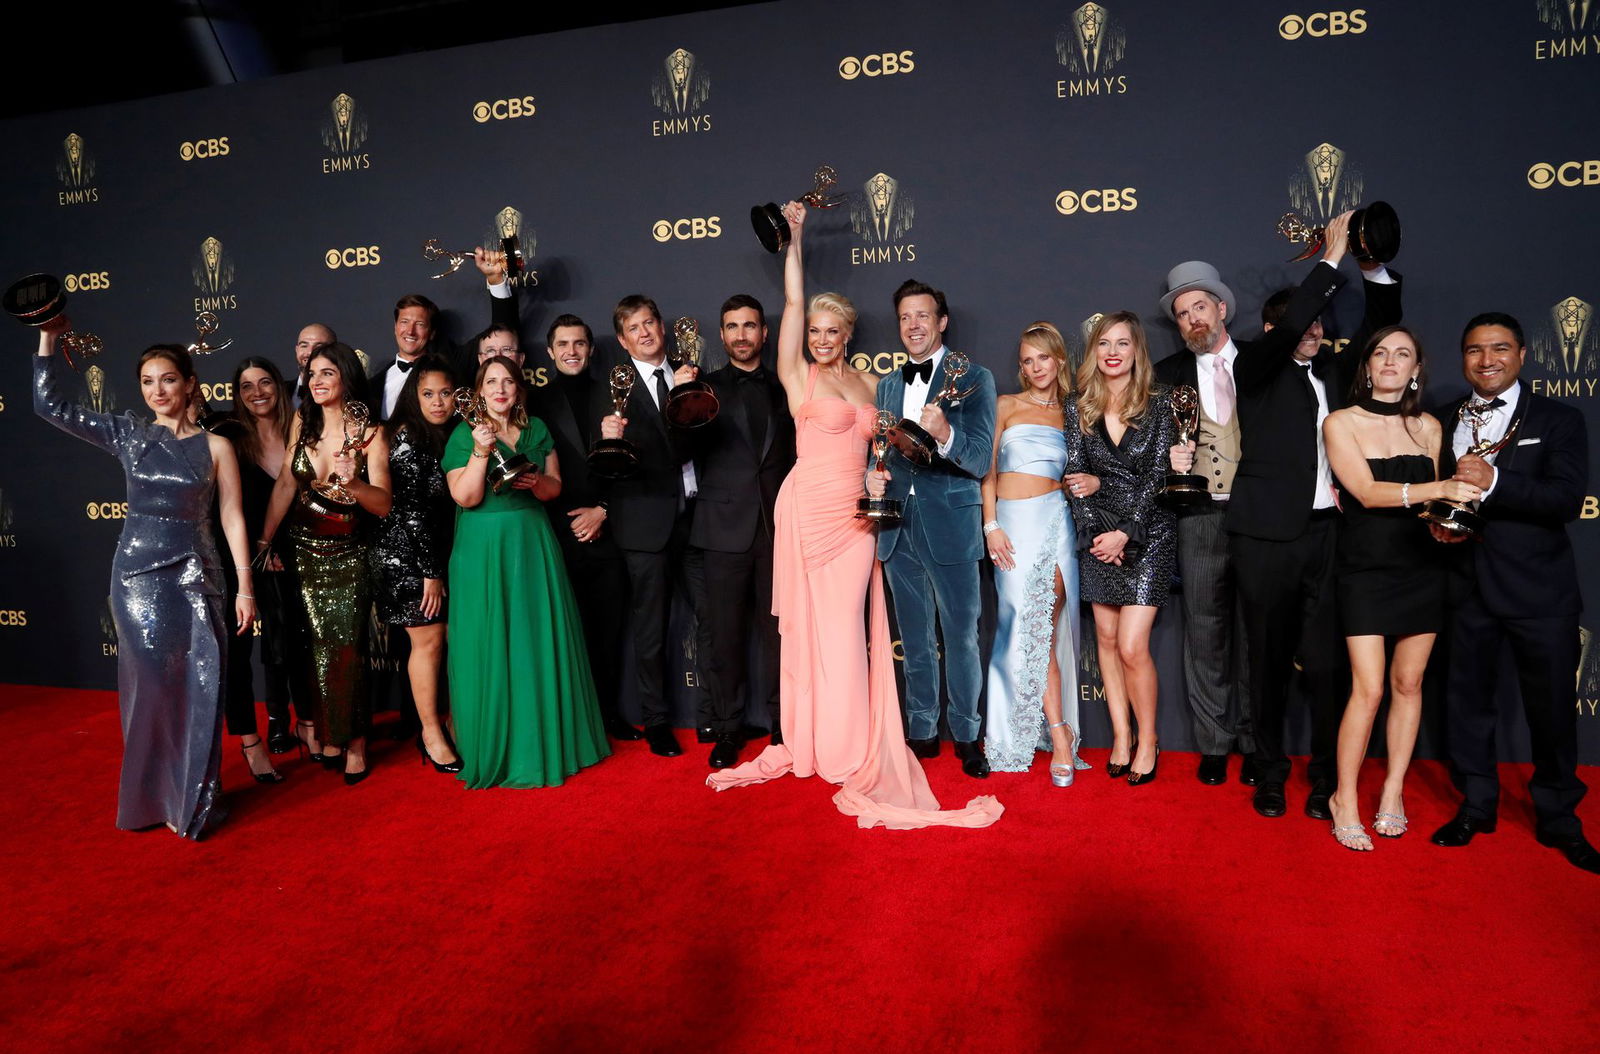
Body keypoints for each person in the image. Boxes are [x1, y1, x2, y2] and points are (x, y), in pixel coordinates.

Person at [708, 200, 1001, 830]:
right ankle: (820, 741)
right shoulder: (797, 379)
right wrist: (794, 237)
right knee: (812, 630)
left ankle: (844, 739)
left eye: (829, 331)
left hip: (859, 516)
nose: (818, 338)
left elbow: (884, 449)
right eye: (812, 331)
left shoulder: (875, 389)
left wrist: (879, 473)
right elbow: (790, 306)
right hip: (807, 508)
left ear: (847, 335)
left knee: (846, 629)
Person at [1167, 212, 1402, 819]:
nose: (1313, 329)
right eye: (1301, 322)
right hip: (1265, 536)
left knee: (1326, 668)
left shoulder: (1334, 375)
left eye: (1319, 323)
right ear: (1271, 330)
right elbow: (1295, 315)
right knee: (1266, 662)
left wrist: (1370, 265)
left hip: (1329, 535)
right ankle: (1269, 773)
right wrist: (1333, 252)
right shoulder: (1255, 370)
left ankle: (1325, 780)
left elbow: (1383, 328)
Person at [34, 319, 255, 838]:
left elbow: (232, 518)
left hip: (199, 578)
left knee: (202, 687)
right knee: (154, 690)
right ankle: (152, 799)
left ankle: (194, 802)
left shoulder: (216, 447)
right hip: (138, 581)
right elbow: (51, 407)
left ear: (190, 382)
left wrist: (246, 587)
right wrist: (46, 340)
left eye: (168, 379)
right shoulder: (129, 433)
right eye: (148, 382)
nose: (158, 391)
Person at [1429, 313, 1598, 874]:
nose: (1487, 360)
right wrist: (1436, 519)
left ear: (1523, 355)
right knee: (1468, 706)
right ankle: (1477, 805)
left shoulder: (1559, 419)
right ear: (1463, 359)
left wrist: (1494, 481)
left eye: (1500, 348)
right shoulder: (1443, 417)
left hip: (1539, 593)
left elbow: (1564, 501)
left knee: (1551, 712)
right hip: (1465, 586)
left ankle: (1558, 818)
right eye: (1474, 350)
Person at [1322, 326, 1473, 849]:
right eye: (1381, 353)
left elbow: (1436, 504)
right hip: (1364, 568)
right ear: (1366, 367)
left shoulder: (1430, 427)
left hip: (1422, 566)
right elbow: (1364, 492)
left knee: (1410, 684)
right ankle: (1344, 795)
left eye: (1403, 354)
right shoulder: (1340, 422)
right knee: (1370, 689)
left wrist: (1446, 517)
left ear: (1415, 371)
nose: (1390, 361)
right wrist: (1440, 487)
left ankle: (1392, 792)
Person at [443, 356, 609, 787]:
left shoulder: (536, 429)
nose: (500, 389)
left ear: (519, 388)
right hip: (483, 549)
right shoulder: (464, 434)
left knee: (535, 641)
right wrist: (481, 451)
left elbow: (554, 489)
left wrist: (536, 483)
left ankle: (546, 741)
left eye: (509, 382)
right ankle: (500, 747)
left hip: (532, 542)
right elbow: (465, 496)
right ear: (480, 390)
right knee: (491, 643)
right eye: (492, 382)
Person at [870, 278, 998, 779]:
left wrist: (945, 434)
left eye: (923, 316)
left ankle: (967, 734)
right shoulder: (886, 385)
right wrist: (872, 474)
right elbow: (879, 450)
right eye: (905, 317)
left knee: (961, 637)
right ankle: (921, 728)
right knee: (916, 638)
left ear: (942, 322)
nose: (913, 326)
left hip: (952, 523)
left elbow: (980, 457)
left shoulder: (975, 378)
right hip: (898, 526)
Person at [259, 343, 391, 784]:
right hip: (301, 551)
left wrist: (354, 482)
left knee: (347, 651)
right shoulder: (303, 421)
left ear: (346, 378)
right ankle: (330, 734)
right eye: (312, 374)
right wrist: (264, 538)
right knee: (313, 650)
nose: (316, 381)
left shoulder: (371, 432)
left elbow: (384, 504)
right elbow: (283, 483)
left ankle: (355, 743)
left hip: (348, 554)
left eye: (327, 373)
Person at [1063, 312, 1175, 785]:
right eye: (1104, 343)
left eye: (1122, 343)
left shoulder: (1160, 402)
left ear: (1136, 351)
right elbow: (1073, 475)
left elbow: (1158, 478)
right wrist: (1094, 537)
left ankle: (1148, 739)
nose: (1112, 352)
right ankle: (1121, 736)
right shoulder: (1077, 406)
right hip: (1097, 536)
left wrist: (1125, 530)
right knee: (1105, 642)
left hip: (1148, 534)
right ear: (1093, 352)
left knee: (1132, 646)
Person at [596, 295, 708, 757]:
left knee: (715, 620)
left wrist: (688, 397)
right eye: (634, 328)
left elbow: (712, 438)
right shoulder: (611, 391)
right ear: (622, 341)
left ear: (662, 326)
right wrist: (608, 440)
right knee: (651, 631)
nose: (645, 333)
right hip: (644, 524)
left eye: (650, 323)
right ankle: (657, 720)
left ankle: (719, 716)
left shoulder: (692, 374)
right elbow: (603, 465)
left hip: (702, 518)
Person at [686, 294, 796, 768]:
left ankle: (784, 726)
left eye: (750, 326)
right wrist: (680, 402)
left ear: (764, 333)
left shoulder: (787, 387)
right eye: (732, 327)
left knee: (779, 637)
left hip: (778, 529)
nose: (742, 335)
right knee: (724, 637)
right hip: (721, 530)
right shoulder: (701, 390)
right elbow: (680, 452)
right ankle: (727, 730)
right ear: (722, 334)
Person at [981, 321, 1088, 785]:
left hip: (1055, 523)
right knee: (1018, 625)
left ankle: (1060, 735)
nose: (1034, 367)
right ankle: (1032, 734)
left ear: (1059, 360)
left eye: (1042, 357)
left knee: (1044, 626)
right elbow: (985, 473)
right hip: (1010, 524)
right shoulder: (1005, 405)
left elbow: (1088, 470)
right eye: (1026, 360)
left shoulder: (1075, 413)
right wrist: (991, 525)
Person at [525, 314, 637, 742]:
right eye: (563, 344)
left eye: (579, 343)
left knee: (608, 634)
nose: (571, 351)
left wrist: (603, 510)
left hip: (607, 531)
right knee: (561, 635)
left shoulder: (616, 395)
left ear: (591, 350)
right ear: (550, 352)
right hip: (554, 535)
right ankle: (570, 723)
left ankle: (607, 716)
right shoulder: (532, 403)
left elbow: (633, 463)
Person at [370, 353, 462, 775]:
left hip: (437, 555)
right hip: (407, 557)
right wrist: (430, 571)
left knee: (444, 641)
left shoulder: (450, 434)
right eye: (428, 394)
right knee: (428, 642)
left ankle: (452, 723)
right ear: (414, 396)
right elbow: (409, 510)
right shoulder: (406, 435)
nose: (438, 401)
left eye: (446, 393)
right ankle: (430, 732)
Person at [223, 356, 311, 776]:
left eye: (264, 383)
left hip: (308, 547)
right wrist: (261, 549)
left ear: (278, 385)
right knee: (275, 639)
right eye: (246, 386)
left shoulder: (302, 427)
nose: (257, 392)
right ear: (237, 395)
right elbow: (229, 506)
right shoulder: (232, 439)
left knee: (306, 637)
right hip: (258, 552)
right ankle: (278, 720)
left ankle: (310, 720)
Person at [368, 248, 518, 419]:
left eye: (420, 324)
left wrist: (495, 279)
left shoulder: (452, 363)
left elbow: (502, 332)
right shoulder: (375, 385)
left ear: (432, 333)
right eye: (404, 322)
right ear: (395, 327)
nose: (410, 331)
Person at [292, 323, 335, 407]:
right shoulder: (280, 392)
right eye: (304, 346)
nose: (310, 352)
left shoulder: (350, 394)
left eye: (319, 347)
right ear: (297, 350)